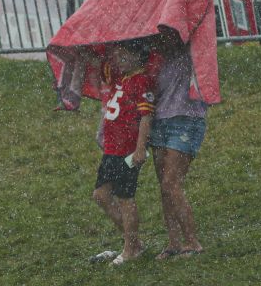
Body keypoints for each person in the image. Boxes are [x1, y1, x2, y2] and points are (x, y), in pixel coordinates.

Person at [84, 40, 156, 266]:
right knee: (101, 195)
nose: (119, 60)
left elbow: (146, 116)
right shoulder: (119, 77)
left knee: (126, 199)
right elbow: (99, 62)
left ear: (137, 57)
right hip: (111, 150)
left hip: (127, 151)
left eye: (125, 57)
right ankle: (133, 243)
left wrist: (140, 148)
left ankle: (131, 248)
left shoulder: (142, 80)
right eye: (119, 57)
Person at [146, 28, 207, 260]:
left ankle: (192, 242)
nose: (162, 38)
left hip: (186, 119)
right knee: (164, 186)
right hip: (159, 122)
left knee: (171, 182)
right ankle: (173, 243)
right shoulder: (155, 60)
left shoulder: (191, 52)